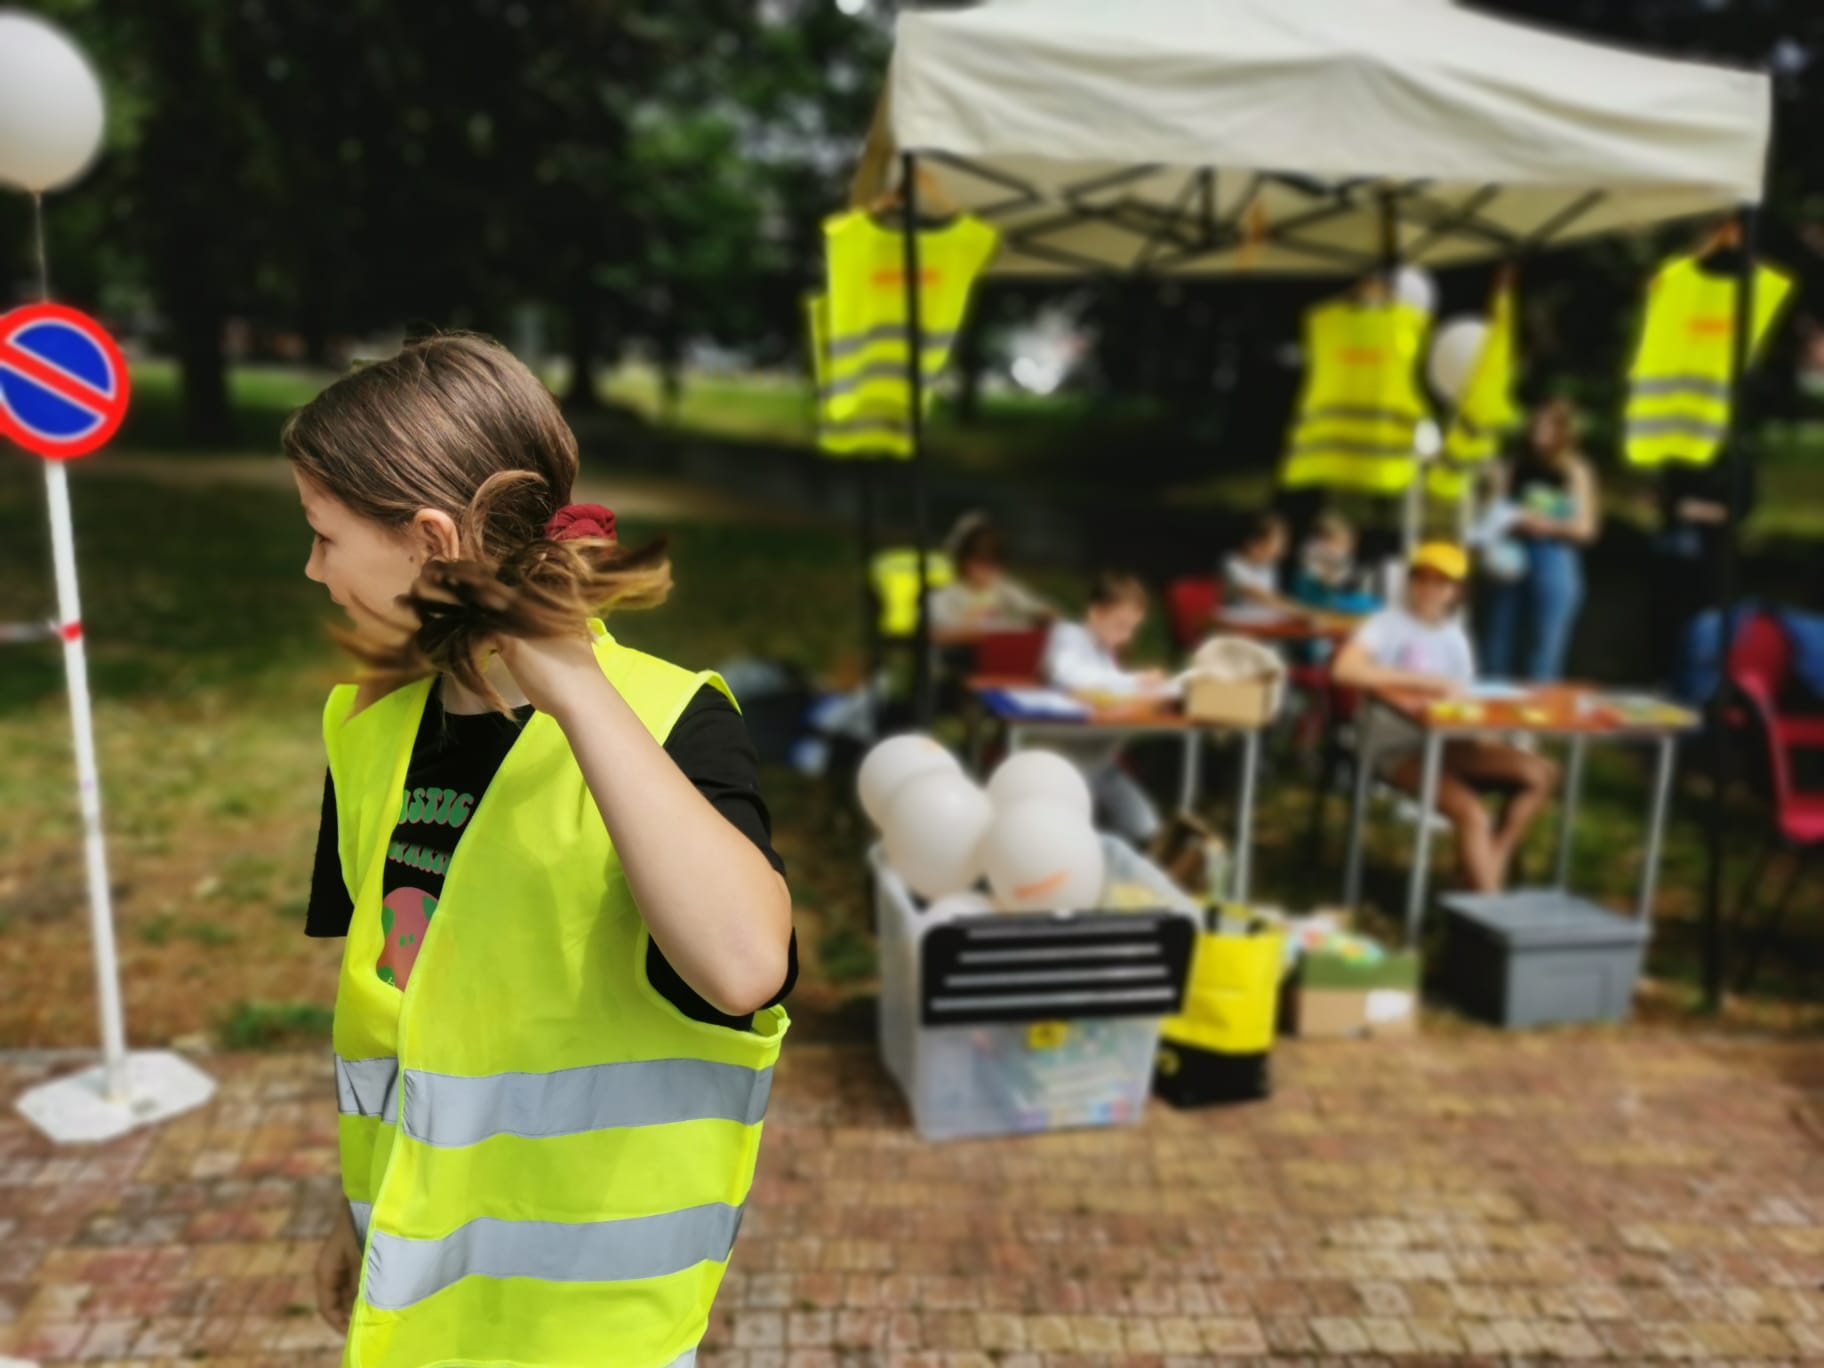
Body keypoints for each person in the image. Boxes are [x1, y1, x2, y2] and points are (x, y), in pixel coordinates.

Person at [293, 334, 794, 1365]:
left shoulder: (669, 724)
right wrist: (363, 1225)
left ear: (431, 538)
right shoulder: (367, 731)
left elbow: (744, 967)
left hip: (594, 1332)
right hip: (414, 1314)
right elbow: (402, 1025)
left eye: (326, 535)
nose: (312, 569)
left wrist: (566, 681)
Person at [1333, 541, 1558, 893]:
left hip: (1448, 741)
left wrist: (1495, 732)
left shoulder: (1456, 636)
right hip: (1394, 747)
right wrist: (1424, 681)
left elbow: (1465, 696)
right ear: (1409, 582)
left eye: (1442, 582)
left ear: (1457, 591)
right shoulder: (1385, 623)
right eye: (1422, 578)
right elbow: (1345, 669)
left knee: (1540, 773)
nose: (1430, 589)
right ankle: (1489, 910)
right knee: (1472, 815)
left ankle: (1488, 866)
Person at [1040, 572, 1171, 845]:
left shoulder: (1104, 653)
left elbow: (1112, 690)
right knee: (1071, 838)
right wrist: (1135, 681)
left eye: (1132, 628)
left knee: (1147, 827)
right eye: (1120, 625)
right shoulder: (1068, 636)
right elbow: (1070, 677)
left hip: (1101, 765)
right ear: (1096, 613)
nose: (1126, 636)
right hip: (1063, 764)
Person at [1479, 398, 1599, 681]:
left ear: (1563, 432)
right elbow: (1492, 513)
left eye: (1548, 426)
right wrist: (1498, 495)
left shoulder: (1574, 470)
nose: (1538, 431)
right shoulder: (1514, 464)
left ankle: (1535, 718)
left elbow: (1586, 529)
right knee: (1498, 642)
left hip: (1554, 557)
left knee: (1543, 648)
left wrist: (1546, 525)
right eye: (1536, 423)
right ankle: (1494, 713)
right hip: (1511, 555)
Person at [928, 512, 1056, 633]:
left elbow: (1040, 609)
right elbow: (937, 632)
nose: (987, 570)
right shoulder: (946, 594)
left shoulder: (1005, 589)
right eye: (980, 562)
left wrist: (1044, 616)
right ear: (964, 561)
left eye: (993, 563)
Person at [1222, 512, 1292, 611]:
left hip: (1263, 618)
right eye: (1276, 544)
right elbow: (1260, 596)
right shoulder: (1232, 562)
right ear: (1253, 544)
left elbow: (1274, 600)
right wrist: (1306, 612)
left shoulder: (1270, 565)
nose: (1281, 551)